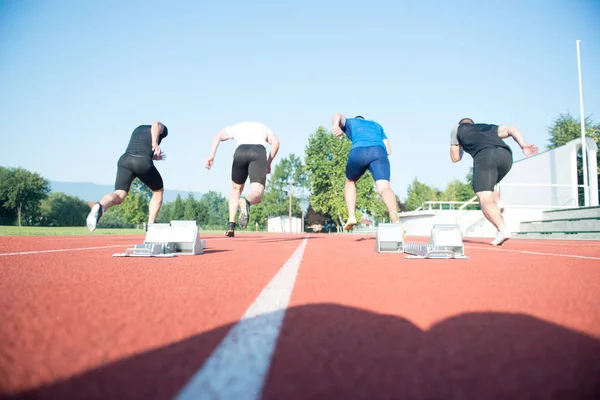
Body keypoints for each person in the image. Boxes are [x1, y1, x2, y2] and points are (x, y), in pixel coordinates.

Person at [450, 118, 538, 245]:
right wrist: (524, 145)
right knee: (490, 186)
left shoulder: (456, 129)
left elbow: (455, 158)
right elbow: (511, 129)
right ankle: (498, 202)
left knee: (483, 197)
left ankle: (502, 229)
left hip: (486, 156)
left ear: (460, 125)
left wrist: (460, 144)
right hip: (506, 157)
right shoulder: (486, 128)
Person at [86, 121, 168, 231]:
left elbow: (139, 149)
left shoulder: (138, 129)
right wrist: (155, 143)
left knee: (119, 195)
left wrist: (152, 157)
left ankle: (100, 206)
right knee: (158, 191)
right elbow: (156, 124)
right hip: (142, 162)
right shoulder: (160, 129)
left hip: (125, 160)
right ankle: (150, 225)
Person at [332, 113, 404, 236]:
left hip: (358, 151)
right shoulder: (377, 125)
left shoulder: (351, 122)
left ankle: (351, 216)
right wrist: (376, 161)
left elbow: (338, 115)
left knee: (350, 182)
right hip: (379, 151)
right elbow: (388, 150)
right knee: (385, 188)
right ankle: (394, 216)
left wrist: (336, 126)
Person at [205, 121, 280, 237]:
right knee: (257, 193)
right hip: (258, 152)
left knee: (236, 189)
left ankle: (231, 224)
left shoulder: (237, 127)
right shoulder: (264, 128)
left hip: (240, 152)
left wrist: (211, 155)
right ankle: (247, 202)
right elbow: (276, 142)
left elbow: (218, 136)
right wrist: (268, 162)